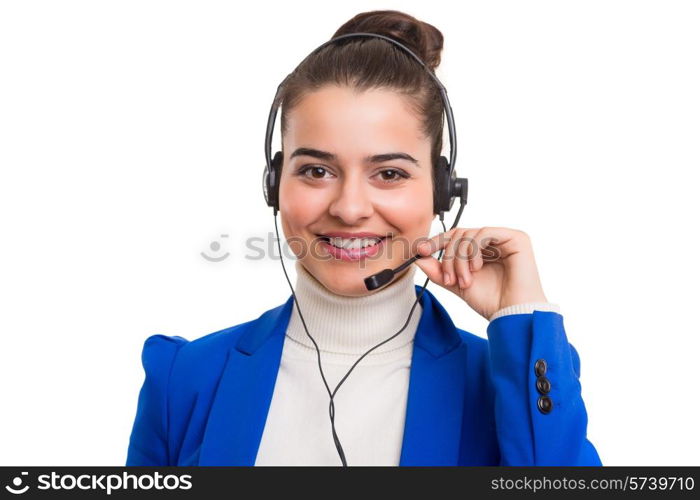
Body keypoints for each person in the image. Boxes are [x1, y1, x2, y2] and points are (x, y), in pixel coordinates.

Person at [125, 9, 602, 466]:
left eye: (389, 173)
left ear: (441, 190)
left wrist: (519, 315)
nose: (350, 208)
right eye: (316, 170)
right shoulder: (185, 377)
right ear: (274, 184)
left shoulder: (507, 388)